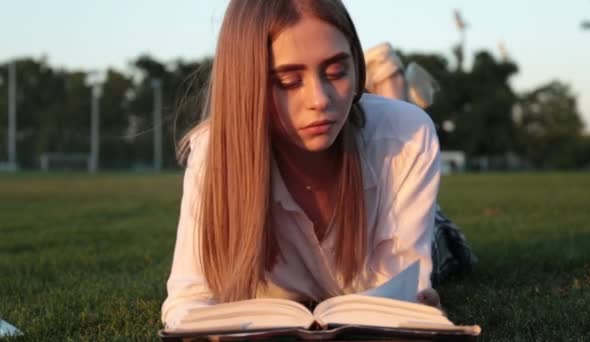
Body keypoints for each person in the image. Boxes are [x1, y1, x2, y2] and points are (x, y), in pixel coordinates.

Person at [162, 0, 441, 330]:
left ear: (356, 62)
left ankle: (392, 89)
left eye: (337, 72)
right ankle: (391, 87)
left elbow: (400, 288)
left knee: (447, 247)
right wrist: (206, 330)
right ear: (246, 84)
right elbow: (189, 298)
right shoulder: (216, 153)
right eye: (289, 81)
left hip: (430, 227)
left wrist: (409, 304)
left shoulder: (408, 136)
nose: (320, 100)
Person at [363, 42, 477, 285]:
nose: (397, 80)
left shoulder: (411, 128)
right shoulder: (362, 123)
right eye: (391, 76)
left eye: (398, 75)